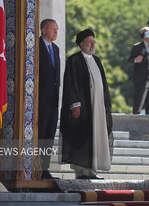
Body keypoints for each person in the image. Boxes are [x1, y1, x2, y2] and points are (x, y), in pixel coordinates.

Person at [60, 29, 113, 180]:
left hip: (97, 107)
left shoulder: (96, 60)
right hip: (83, 107)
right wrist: (75, 105)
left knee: (95, 137)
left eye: (93, 41)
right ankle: (81, 171)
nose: (92, 44)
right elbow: (71, 84)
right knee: (82, 136)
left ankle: (92, 171)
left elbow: (102, 84)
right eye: (89, 42)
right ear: (81, 44)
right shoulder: (74, 60)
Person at [38, 19, 61, 179]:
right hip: (39, 100)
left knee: (49, 135)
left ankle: (44, 168)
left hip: (53, 100)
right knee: (39, 134)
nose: (56, 32)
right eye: (53, 29)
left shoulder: (56, 49)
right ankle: (35, 167)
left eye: (57, 29)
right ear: (43, 30)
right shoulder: (35, 47)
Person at [128, 26, 149, 115]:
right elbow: (130, 60)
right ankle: (135, 117)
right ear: (142, 35)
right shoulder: (137, 47)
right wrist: (136, 59)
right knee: (138, 99)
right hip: (140, 78)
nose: (148, 33)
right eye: (146, 32)